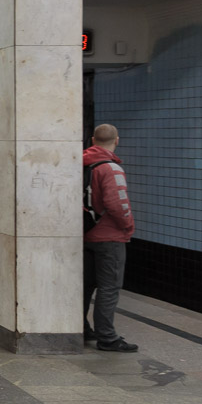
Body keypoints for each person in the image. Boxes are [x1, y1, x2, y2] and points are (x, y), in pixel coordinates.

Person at [83, 123, 138, 352]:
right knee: (108, 288)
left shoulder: (81, 164)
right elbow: (118, 205)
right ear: (117, 140)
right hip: (109, 237)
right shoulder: (110, 168)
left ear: (93, 140)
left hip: (85, 234)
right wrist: (128, 227)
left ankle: (81, 327)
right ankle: (107, 337)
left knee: (85, 286)